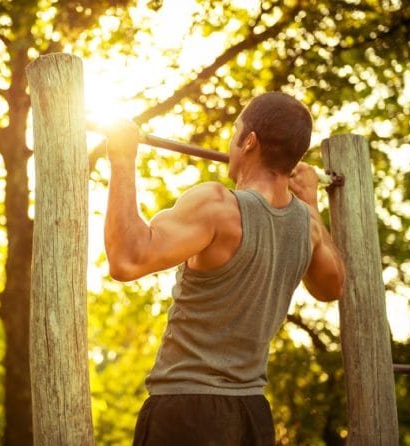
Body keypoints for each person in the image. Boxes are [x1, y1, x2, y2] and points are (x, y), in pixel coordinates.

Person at [102, 92, 346, 446]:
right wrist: (310, 201)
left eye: (235, 133)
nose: (231, 144)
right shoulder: (307, 224)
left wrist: (123, 159)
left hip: (187, 414)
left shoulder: (218, 206)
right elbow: (332, 286)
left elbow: (126, 259)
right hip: (252, 417)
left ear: (249, 142)